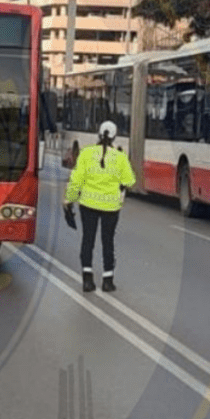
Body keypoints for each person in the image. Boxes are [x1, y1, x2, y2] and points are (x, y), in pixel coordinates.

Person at [63, 120, 136, 293]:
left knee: (88, 240)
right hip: (111, 207)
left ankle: (87, 280)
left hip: (88, 205)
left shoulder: (86, 153)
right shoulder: (120, 157)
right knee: (108, 242)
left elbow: (76, 180)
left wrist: (69, 200)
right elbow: (130, 181)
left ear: (98, 134)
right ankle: (108, 281)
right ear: (114, 137)